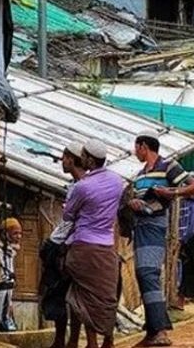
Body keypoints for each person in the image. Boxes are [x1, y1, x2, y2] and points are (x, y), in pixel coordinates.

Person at [129, 134, 194, 347]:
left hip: (155, 225)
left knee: (148, 274)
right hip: (140, 226)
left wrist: (171, 191)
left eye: (136, 148)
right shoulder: (141, 175)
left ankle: (160, 330)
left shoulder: (169, 166)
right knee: (143, 275)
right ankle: (152, 332)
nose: (135, 153)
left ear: (144, 147)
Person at [63, 139, 125, 348]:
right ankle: (107, 340)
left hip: (83, 247)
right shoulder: (117, 181)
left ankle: (90, 343)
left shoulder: (83, 187)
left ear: (89, 159)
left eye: (83, 156)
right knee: (105, 296)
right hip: (107, 247)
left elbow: (68, 215)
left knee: (83, 296)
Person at [39, 143, 86, 348]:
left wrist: (65, 244)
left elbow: (76, 219)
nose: (62, 161)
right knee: (65, 293)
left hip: (67, 243)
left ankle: (67, 340)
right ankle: (66, 340)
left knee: (61, 292)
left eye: (64, 157)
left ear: (72, 159)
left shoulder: (82, 186)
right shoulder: (76, 184)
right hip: (65, 241)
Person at [0, 217, 22, 331]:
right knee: (0, 314)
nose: (19, 236)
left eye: (20, 233)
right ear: (6, 234)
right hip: (2, 285)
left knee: (6, 311)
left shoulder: (11, 250)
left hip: (8, 284)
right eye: (15, 233)